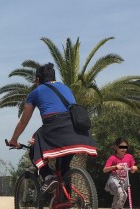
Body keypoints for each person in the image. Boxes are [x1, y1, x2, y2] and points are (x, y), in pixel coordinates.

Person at [7, 62, 97, 193]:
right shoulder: (65, 87)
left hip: (55, 126)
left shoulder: (36, 92)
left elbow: (23, 121)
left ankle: (48, 177)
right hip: (77, 129)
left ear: (38, 80)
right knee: (64, 168)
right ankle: (65, 208)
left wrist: (14, 139)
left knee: (34, 146)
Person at [103, 138, 138, 209]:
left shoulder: (129, 157)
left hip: (123, 181)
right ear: (116, 147)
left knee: (124, 195)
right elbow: (105, 170)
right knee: (120, 193)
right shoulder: (113, 158)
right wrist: (115, 167)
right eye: (121, 147)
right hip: (113, 180)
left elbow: (133, 169)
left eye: (125, 147)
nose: (123, 149)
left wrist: (134, 168)